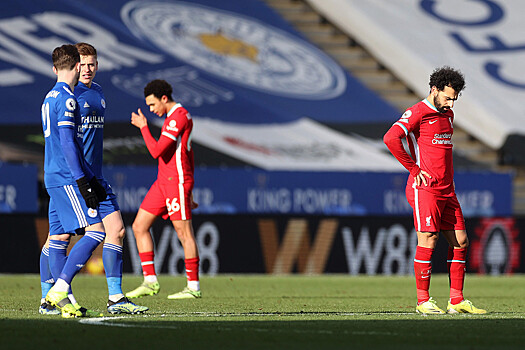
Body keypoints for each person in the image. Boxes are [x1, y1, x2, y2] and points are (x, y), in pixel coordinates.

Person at [383, 66, 486, 315]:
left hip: (447, 190)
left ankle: (456, 300)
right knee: (429, 238)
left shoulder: (447, 114)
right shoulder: (418, 112)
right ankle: (423, 301)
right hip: (425, 189)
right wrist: (413, 168)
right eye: (447, 97)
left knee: (461, 241)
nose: (451, 103)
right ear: (434, 89)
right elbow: (390, 138)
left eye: (454, 99)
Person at [41, 44, 107, 318]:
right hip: (67, 177)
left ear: (54, 68)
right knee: (97, 231)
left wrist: (92, 177)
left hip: (52, 175)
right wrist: (83, 181)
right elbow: (69, 143)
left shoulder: (48, 97)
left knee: (57, 237)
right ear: (78, 66)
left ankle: (51, 302)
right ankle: (61, 287)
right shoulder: (68, 99)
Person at [126, 79, 201, 300]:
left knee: (184, 233)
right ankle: (150, 281)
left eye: (152, 105)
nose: (151, 110)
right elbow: (190, 154)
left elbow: (157, 151)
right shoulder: (172, 117)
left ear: (164, 99)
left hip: (176, 181)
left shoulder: (178, 117)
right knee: (139, 226)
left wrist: (143, 128)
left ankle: (193, 287)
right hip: (163, 182)